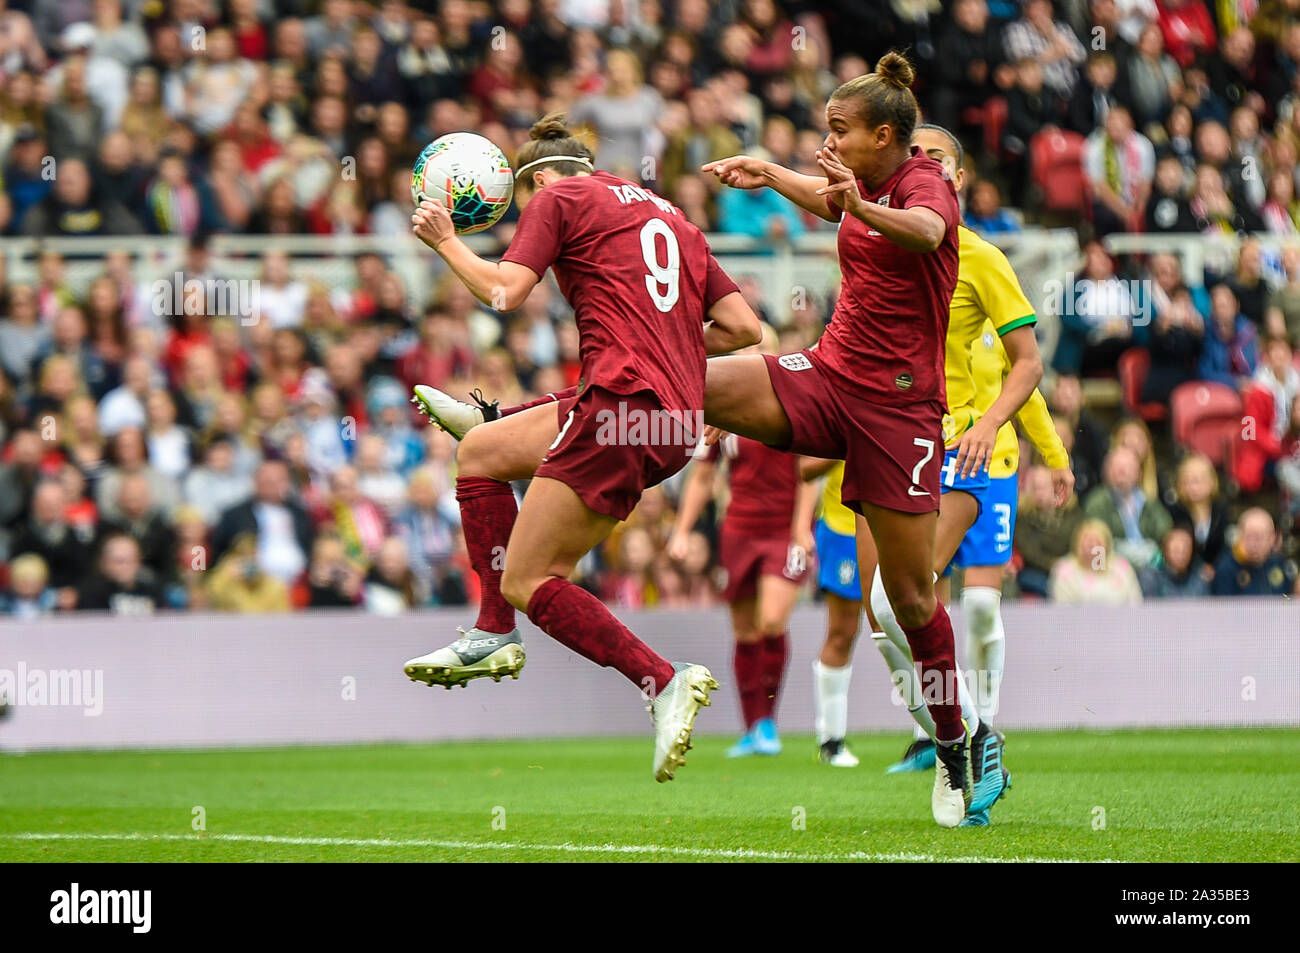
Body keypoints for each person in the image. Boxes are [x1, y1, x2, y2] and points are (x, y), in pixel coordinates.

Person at [412, 56, 980, 829]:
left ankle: (956, 741)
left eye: (839, 132)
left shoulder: (921, 184)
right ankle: (499, 422)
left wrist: (855, 204)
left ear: (885, 136)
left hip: (900, 413)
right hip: (826, 373)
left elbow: (928, 232)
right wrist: (774, 173)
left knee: (910, 599)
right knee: (680, 379)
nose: (829, 142)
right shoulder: (845, 187)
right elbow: (813, 232)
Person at [401, 113, 761, 784]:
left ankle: (661, 677)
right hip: (671, 421)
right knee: (479, 452)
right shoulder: (674, 218)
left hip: (619, 408)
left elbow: (505, 290)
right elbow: (745, 327)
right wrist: (675, 343)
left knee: (531, 578)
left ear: (534, 179)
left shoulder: (558, 198)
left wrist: (446, 243)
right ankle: (492, 431)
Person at [666, 328, 817, 758]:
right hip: (738, 532)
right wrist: (682, 530)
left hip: (782, 532)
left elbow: (809, 471)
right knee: (745, 630)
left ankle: (768, 721)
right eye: (747, 350)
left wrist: (801, 527)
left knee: (771, 621)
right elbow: (702, 476)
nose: (753, 354)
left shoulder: (794, 404)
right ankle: (755, 728)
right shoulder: (724, 413)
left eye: (760, 348)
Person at [1048, 518, 1144, 604]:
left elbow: (1135, 603)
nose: (1091, 547)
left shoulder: (1122, 567)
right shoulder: (1063, 570)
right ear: (1076, 544)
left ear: (1106, 545)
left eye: (1096, 541)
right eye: (1086, 541)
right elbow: (1061, 610)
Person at [1211, 508, 1297, 596]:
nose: (1254, 543)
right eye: (1249, 536)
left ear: (1272, 538)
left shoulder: (1280, 565)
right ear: (1239, 537)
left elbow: (1288, 601)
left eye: (1260, 537)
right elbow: (1222, 607)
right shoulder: (1226, 569)